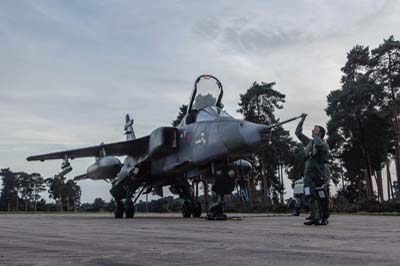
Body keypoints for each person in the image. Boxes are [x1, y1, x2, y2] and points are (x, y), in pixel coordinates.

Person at [295, 113, 330, 226]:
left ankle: (324, 217)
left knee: (321, 195)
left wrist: (316, 136)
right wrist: (302, 120)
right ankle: (314, 217)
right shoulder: (309, 143)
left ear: (320, 133)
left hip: (319, 173)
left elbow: (318, 145)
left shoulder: (324, 144)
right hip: (308, 173)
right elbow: (298, 133)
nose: (313, 131)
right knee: (309, 193)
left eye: (315, 130)